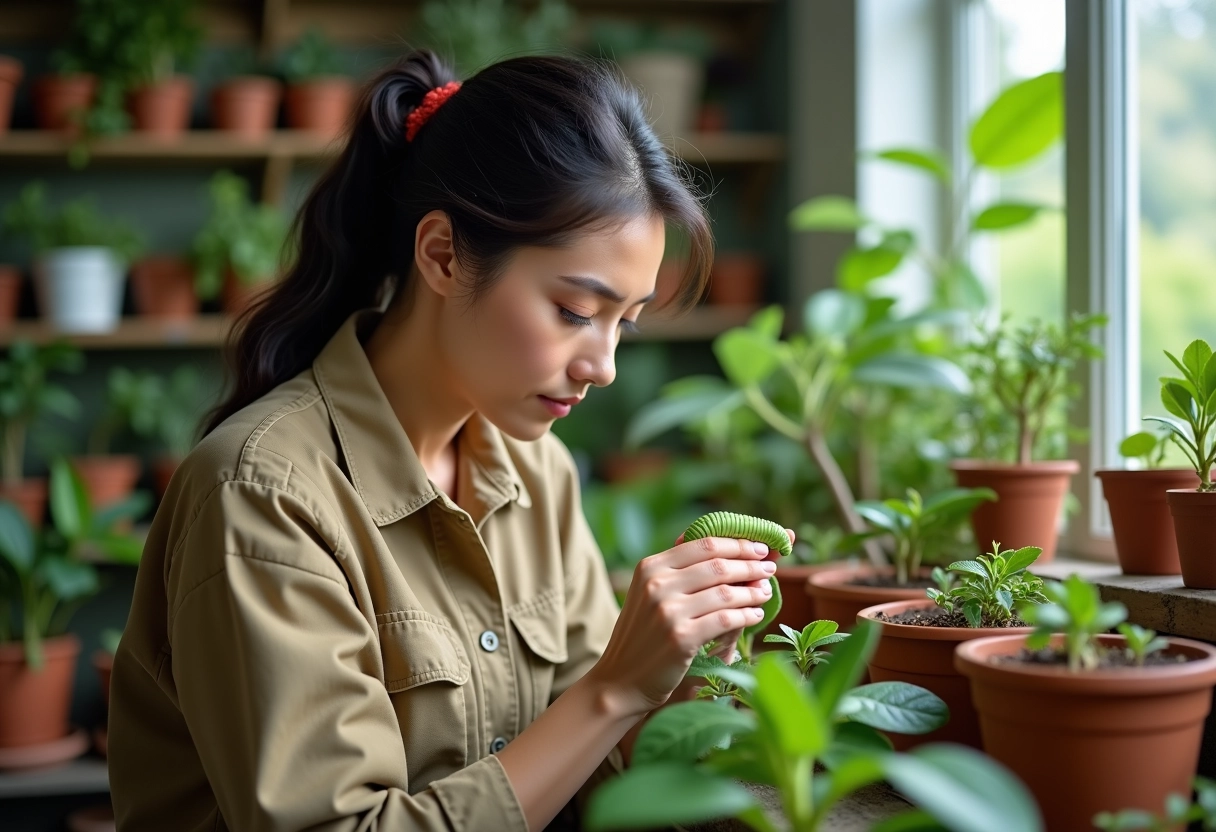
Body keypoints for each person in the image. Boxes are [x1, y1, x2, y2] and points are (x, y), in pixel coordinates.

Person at [108, 48, 789, 832]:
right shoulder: (263, 498)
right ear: (441, 254)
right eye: (574, 311)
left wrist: (686, 672)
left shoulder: (538, 469)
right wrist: (615, 689)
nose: (602, 365)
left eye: (623, 324)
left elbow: (590, 766)